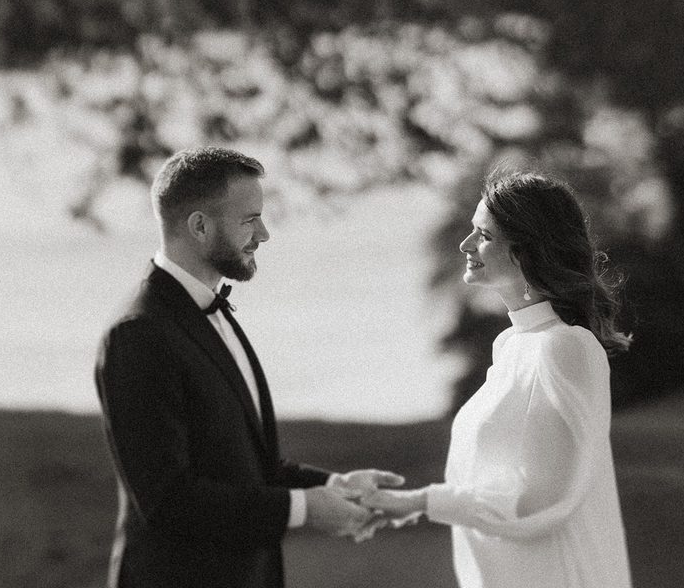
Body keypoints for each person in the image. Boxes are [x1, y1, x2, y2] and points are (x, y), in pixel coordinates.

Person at [95, 146, 401, 588]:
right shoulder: (139, 334)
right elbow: (169, 502)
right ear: (200, 226)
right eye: (249, 220)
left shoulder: (212, 315)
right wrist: (304, 509)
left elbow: (244, 466)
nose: (264, 234)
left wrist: (335, 486)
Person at [366, 168, 634, 588]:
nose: (466, 244)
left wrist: (420, 502)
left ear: (526, 251)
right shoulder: (512, 345)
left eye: (484, 235)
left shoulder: (567, 347)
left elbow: (541, 500)